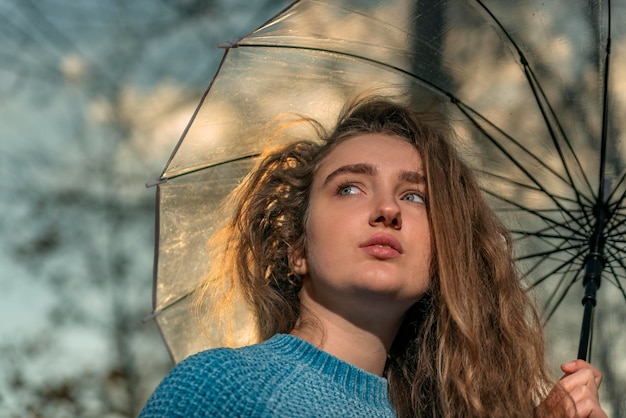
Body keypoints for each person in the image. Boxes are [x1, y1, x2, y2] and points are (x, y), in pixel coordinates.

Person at [139, 97, 607, 417]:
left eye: (415, 197)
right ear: (297, 248)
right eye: (349, 187)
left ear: (444, 257)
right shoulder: (222, 390)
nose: (387, 210)